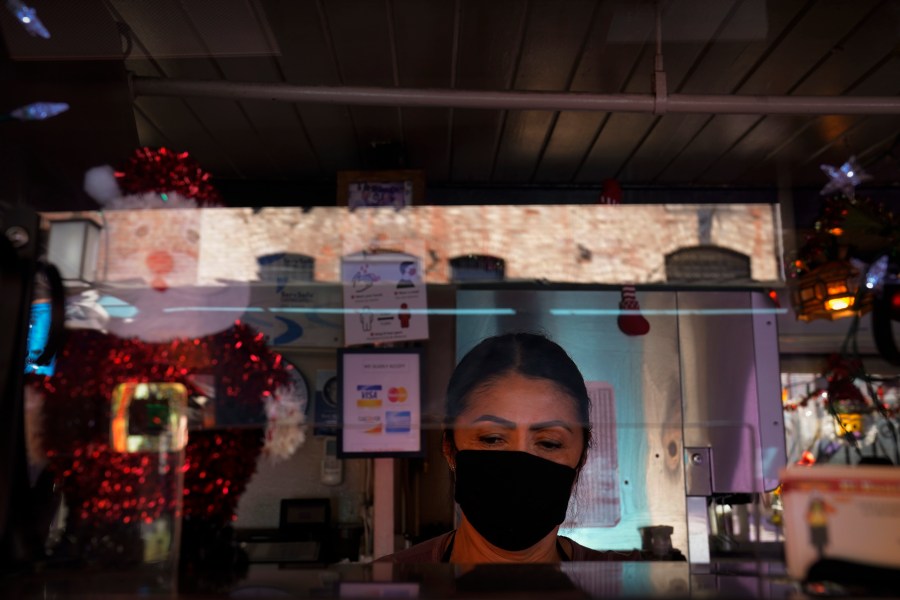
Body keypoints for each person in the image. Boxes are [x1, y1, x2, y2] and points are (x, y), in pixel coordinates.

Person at [377, 332, 643, 563]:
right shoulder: (386, 584)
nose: (520, 462)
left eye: (549, 442)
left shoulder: (635, 584)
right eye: (492, 439)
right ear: (450, 449)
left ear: (581, 458)